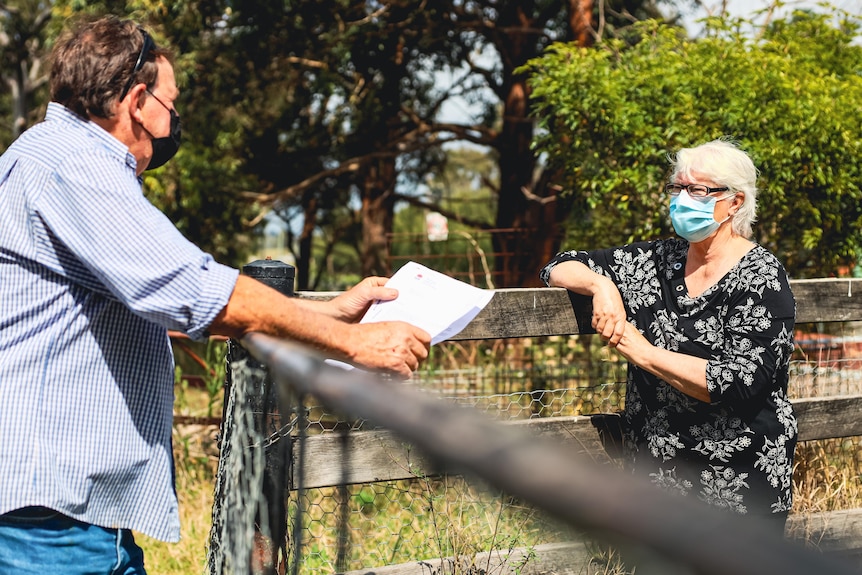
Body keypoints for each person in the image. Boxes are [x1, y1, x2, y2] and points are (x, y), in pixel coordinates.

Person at [0, 15, 430, 574]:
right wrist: (354, 342)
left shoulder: (42, 156)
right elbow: (200, 294)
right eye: (171, 105)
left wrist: (319, 314)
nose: (174, 120)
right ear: (136, 100)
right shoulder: (76, 167)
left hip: (59, 513)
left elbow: (163, 307)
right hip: (49, 520)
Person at [541, 139, 797, 534]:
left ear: (734, 202)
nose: (682, 200)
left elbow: (738, 382)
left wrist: (640, 349)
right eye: (678, 188)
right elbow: (558, 266)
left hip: (740, 489)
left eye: (699, 190)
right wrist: (600, 285)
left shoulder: (761, 276)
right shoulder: (656, 259)